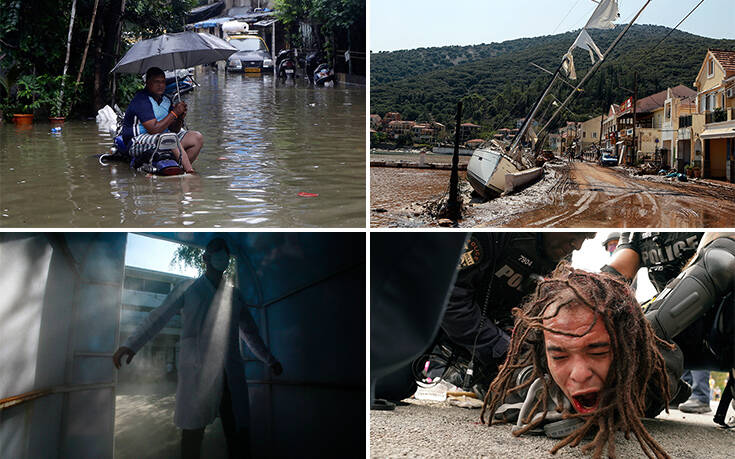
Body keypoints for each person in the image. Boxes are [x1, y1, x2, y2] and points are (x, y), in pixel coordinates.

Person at [374, 232, 595, 404]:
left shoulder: (558, 257)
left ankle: (473, 378)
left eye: (585, 239)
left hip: (486, 330)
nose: (577, 245)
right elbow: (450, 303)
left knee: (515, 389)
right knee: (388, 386)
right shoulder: (492, 235)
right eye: (575, 235)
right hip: (428, 316)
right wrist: (503, 347)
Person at [482, 264, 676, 459]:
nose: (580, 374)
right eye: (559, 356)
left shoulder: (657, 376)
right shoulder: (529, 376)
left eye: (598, 352)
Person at [112, 238, 283, 459]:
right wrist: (131, 344)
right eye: (216, 251)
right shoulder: (188, 289)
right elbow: (159, 316)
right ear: (205, 258)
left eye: (225, 252)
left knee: (237, 433)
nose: (221, 255)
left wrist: (270, 360)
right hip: (197, 372)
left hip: (228, 375)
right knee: (193, 435)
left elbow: (250, 334)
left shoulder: (235, 296)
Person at [121, 66, 204, 173]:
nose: (161, 85)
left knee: (197, 138)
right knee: (169, 138)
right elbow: (153, 129)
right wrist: (174, 113)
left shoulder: (166, 100)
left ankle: (178, 168)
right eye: (156, 82)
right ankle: (189, 171)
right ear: (147, 82)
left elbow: (174, 130)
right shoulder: (141, 100)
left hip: (164, 139)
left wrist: (179, 117)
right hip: (136, 141)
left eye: (163, 82)